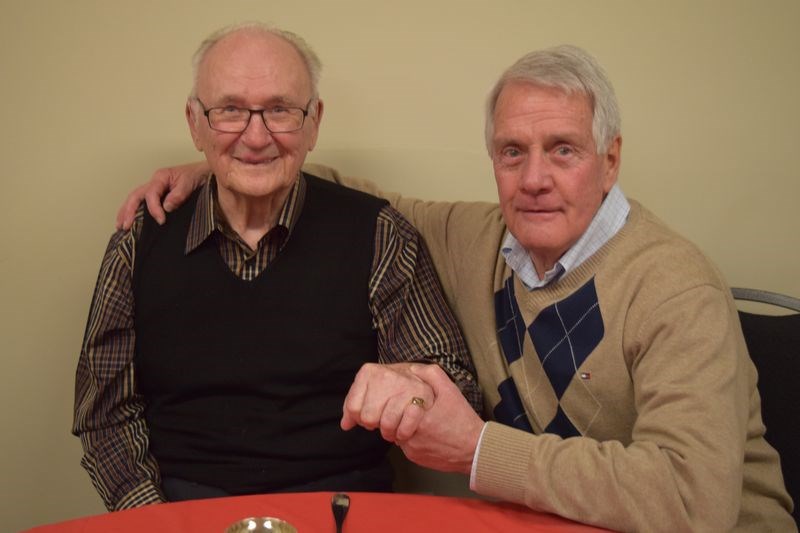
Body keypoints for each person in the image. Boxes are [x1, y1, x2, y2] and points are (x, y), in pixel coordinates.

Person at [117, 46, 795, 530]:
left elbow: (693, 502)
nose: (533, 179)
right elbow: (343, 198)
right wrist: (222, 162)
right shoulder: (475, 237)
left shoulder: (676, 285)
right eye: (511, 152)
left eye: (563, 149)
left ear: (610, 158)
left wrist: (477, 450)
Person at [73, 22, 480, 512]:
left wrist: (416, 392)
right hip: (181, 508)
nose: (256, 136)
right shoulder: (141, 239)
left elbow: (454, 386)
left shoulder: (380, 234)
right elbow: (105, 416)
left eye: (280, 110)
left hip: (340, 507)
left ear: (314, 122)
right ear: (195, 123)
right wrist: (158, 521)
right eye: (230, 111)